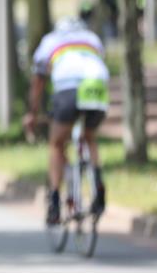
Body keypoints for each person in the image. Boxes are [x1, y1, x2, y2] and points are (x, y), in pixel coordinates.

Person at [23, 13, 110, 226]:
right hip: (96, 83)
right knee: (90, 136)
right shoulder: (92, 38)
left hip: (67, 86)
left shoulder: (50, 41)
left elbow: (38, 81)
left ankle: (53, 202)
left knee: (57, 143)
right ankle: (97, 182)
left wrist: (33, 113)